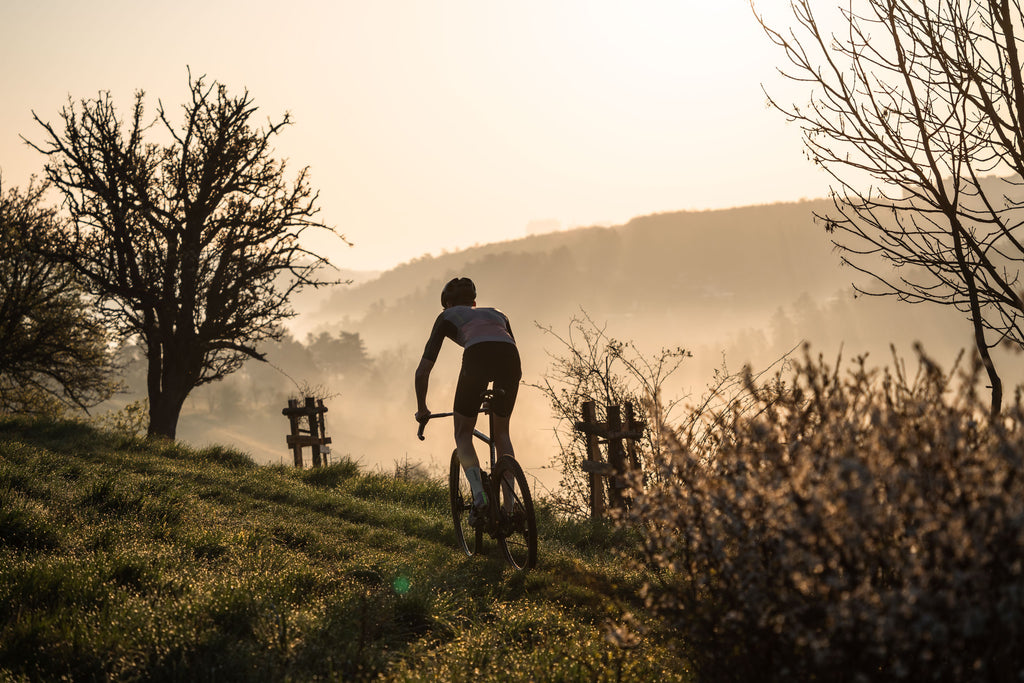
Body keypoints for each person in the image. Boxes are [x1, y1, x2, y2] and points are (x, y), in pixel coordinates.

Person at [414, 277, 521, 525]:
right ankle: (510, 508)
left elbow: (422, 372)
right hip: (511, 359)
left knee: (463, 433)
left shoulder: (446, 317)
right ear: (474, 302)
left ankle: (480, 498)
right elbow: (505, 349)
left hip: (477, 358)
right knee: (502, 435)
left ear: (447, 305)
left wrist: (422, 408)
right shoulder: (498, 314)